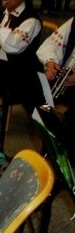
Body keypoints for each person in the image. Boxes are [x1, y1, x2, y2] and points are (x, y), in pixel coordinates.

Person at [37, 16, 75, 150]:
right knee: (35, 93)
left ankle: (64, 152)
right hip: (67, 80)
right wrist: (50, 61)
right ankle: (50, 150)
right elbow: (52, 44)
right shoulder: (73, 21)